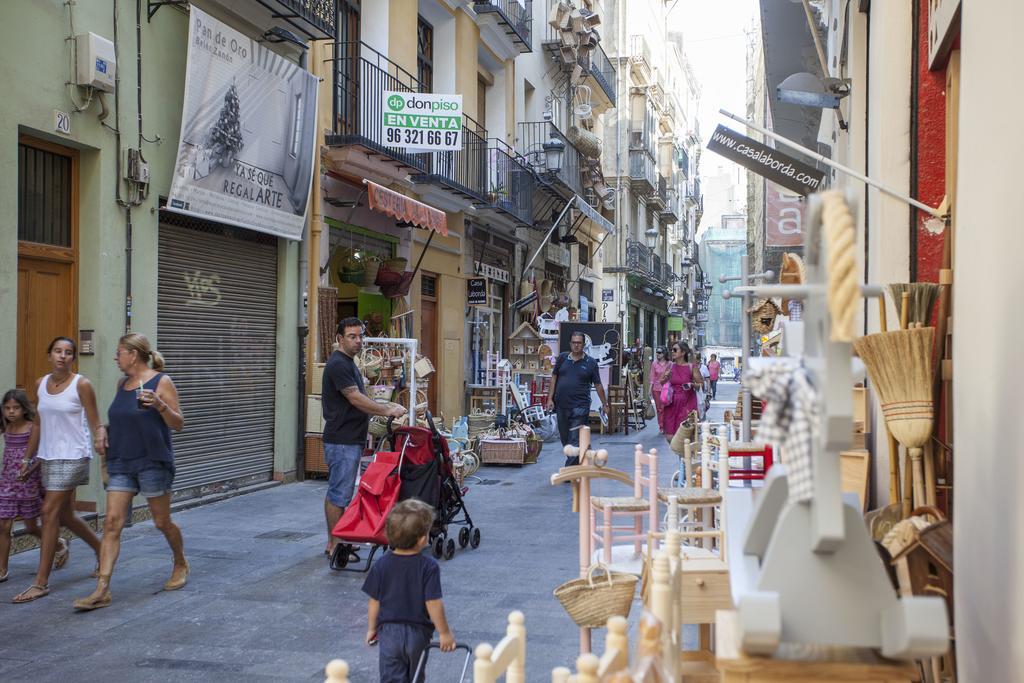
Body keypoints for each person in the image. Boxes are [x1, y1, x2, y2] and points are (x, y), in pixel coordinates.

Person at [74, 333, 188, 611]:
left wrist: (160, 405)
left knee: (162, 522)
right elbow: (121, 421)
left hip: (152, 461)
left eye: (119, 352)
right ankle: (102, 589)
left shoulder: (161, 381)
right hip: (121, 461)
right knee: (112, 522)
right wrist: (103, 432)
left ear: (132, 354)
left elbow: (178, 424)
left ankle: (180, 562)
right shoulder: (121, 384)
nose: (116, 357)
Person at [13, 337, 103, 604]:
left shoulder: (82, 384)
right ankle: (102, 550)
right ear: (49, 355)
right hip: (49, 456)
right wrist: (27, 459)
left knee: (49, 512)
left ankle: (40, 583)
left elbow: (95, 422)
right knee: (65, 515)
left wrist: (100, 443)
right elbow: (39, 424)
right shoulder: (41, 384)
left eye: (68, 353)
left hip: (74, 456)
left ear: (73, 357)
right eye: (57, 351)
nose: (63, 356)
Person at [323, 318, 406, 557]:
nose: (358, 341)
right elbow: (355, 398)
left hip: (350, 438)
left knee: (342, 491)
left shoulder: (349, 363)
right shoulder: (339, 364)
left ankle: (339, 540)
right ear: (340, 339)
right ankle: (335, 544)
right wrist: (387, 410)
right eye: (352, 336)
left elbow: (360, 396)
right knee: (339, 493)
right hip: (342, 440)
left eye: (360, 336)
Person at [363, 499, 454, 683]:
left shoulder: (381, 565)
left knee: (391, 678)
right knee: (415, 677)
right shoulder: (428, 566)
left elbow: (374, 601)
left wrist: (372, 628)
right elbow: (433, 603)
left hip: (388, 632)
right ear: (422, 539)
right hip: (417, 633)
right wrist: (444, 632)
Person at [546, 331, 608, 465]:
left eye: (579, 343)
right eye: (574, 342)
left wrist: (605, 404)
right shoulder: (562, 358)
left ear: (583, 345)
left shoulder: (590, 363)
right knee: (565, 439)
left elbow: (598, 385)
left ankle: (570, 471)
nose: (576, 345)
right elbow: (554, 377)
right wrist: (550, 399)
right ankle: (579, 460)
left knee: (574, 439)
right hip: (561, 405)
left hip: (580, 407)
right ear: (570, 343)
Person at [0, 389, 43, 582]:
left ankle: (58, 544)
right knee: (3, 525)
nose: (11, 412)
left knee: (31, 526)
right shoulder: (5, 426)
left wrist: (30, 472)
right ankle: (2, 569)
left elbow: (42, 456)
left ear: (24, 409)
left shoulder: (32, 427)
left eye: (15, 408)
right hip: (8, 481)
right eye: (7, 408)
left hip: (28, 481)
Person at [660, 342, 702, 441]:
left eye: (675, 350)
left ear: (683, 352)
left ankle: (685, 455)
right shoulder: (670, 366)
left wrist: (692, 385)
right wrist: (666, 377)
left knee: (686, 436)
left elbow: (700, 384)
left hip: (687, 403)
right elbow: (661, 382)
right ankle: (681, 453)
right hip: (671, 404)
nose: (672, 352)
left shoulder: (692, 367)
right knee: (670, 437)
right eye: (672, 349)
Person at [649, 348, 671, 433]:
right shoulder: (654, 364)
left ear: (664, 353)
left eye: (659, 352)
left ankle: (667, 425)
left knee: (667, 408)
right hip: (656, 389)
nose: (657, 354)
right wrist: (649, 390)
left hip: (667, 389)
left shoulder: (670, 364)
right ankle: (661, 426)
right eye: (657, 352)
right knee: (659, 409)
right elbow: (652, 377)